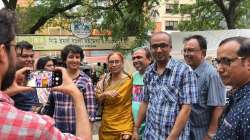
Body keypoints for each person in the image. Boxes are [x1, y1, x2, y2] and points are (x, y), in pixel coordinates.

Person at [0, 8, 91, 140]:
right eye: (14, 48)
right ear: (2, 52)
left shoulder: (85, 80)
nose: (29, 59)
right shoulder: (37, 127)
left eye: (78, 57)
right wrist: (76, 95)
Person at [132, 32, 198, 140]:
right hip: (151, 134)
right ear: (151, 49)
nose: (158, 50)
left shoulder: (184, 71)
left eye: (163, 45)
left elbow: (186, 109)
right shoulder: (149, 72)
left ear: (170, 47)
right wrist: (136, 128)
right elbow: (145, 101)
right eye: (154, 46)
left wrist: (171, 138)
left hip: (174, 137)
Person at [42, 44, 96, 134]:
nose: (74, 60)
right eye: (71, 57)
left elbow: (91, 110)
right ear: (64, 60)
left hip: (77, 130)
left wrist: (88, 132)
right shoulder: (56, 78)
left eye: (77, 57)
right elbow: (49, 105)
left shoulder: (86, 80)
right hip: (58, 130)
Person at [182, 35, 226, 140]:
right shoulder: (187, 72)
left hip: (202, 133)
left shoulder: (211, 75)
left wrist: (210, 135)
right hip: (187, 130)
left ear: (203, 53)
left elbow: (219, 107)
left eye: (191, 50)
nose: (187, 54)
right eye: (185, 50)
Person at [212, 37, 250, 139]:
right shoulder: (236, 95)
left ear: (248, 63)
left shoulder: (247, 107)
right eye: (218, 62)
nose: (219, 69)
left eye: (226, 61)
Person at [95, 52, 133, 140]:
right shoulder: (103, 81)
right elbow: (97, 99)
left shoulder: (130, 80)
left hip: (124, 125)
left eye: (117, 61)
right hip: (106, 124)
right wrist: (104, 94)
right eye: (111, 62)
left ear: (122, 63)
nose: (114, 64)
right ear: (108, 64)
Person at [9, 40, 39, 111]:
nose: (30, 59)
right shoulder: (7, 77)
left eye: (31, 56)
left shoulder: (33, 75)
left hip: (34, 118)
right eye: (24, 56)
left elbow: (34, 101)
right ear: (14, 57)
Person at [131, 47, 152, 139]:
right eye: (134, 58)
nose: (136, 60)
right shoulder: (133, 76)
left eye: (139, 57)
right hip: (135, 126)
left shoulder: (155, 76)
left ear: (149, 59)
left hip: (150, 128)